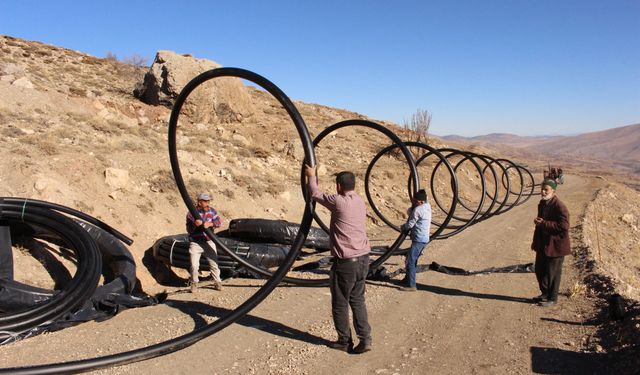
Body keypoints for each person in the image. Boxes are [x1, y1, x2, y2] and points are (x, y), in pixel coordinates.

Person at [305, 164, 372, 354]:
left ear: (338, 186)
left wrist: (312, 175)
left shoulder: (339, 201)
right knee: (358, 300)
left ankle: (344, 341)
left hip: (346, 263)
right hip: (363, 259)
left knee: (340, 302)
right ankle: (365, 339)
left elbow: (315, 193)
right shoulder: (359, 201)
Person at [531, 179, 570, 307]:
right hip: (543, 244)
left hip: (556, 246)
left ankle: (552, 299)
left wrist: (543, 223)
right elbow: (541, 223)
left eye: (546, 189)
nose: (543, 191)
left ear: (553, 190)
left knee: (553, 273)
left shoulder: (560, 206)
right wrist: (535, 241)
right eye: (542, 189)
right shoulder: (542, 203)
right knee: (540, 270)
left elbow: (564, 226)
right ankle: (545, 294)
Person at [186, 192, 223, 293]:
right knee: (194, 266)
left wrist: (210, 224)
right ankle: (194, 284)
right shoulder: (191, 213)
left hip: (209, 241)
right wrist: (195, 224)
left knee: (214, 264)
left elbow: (219, 223)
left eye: (208, 201)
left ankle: (217, 282)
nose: (208, 203)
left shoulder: (212, 211)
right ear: (199, 202)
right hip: (196, 243)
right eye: (205, 201)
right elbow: (189, 229)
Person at [400, 189, 432, 291]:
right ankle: (408, 279)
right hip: (424, 238)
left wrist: (402, 227)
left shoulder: (418, 210)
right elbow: (410, 211)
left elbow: (410, 224)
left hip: (419, 239)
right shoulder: (427, 206)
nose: (413, 202)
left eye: (415, 201)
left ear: (421, 202)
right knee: (413, 259)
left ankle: (411, 285)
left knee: (410, 260)